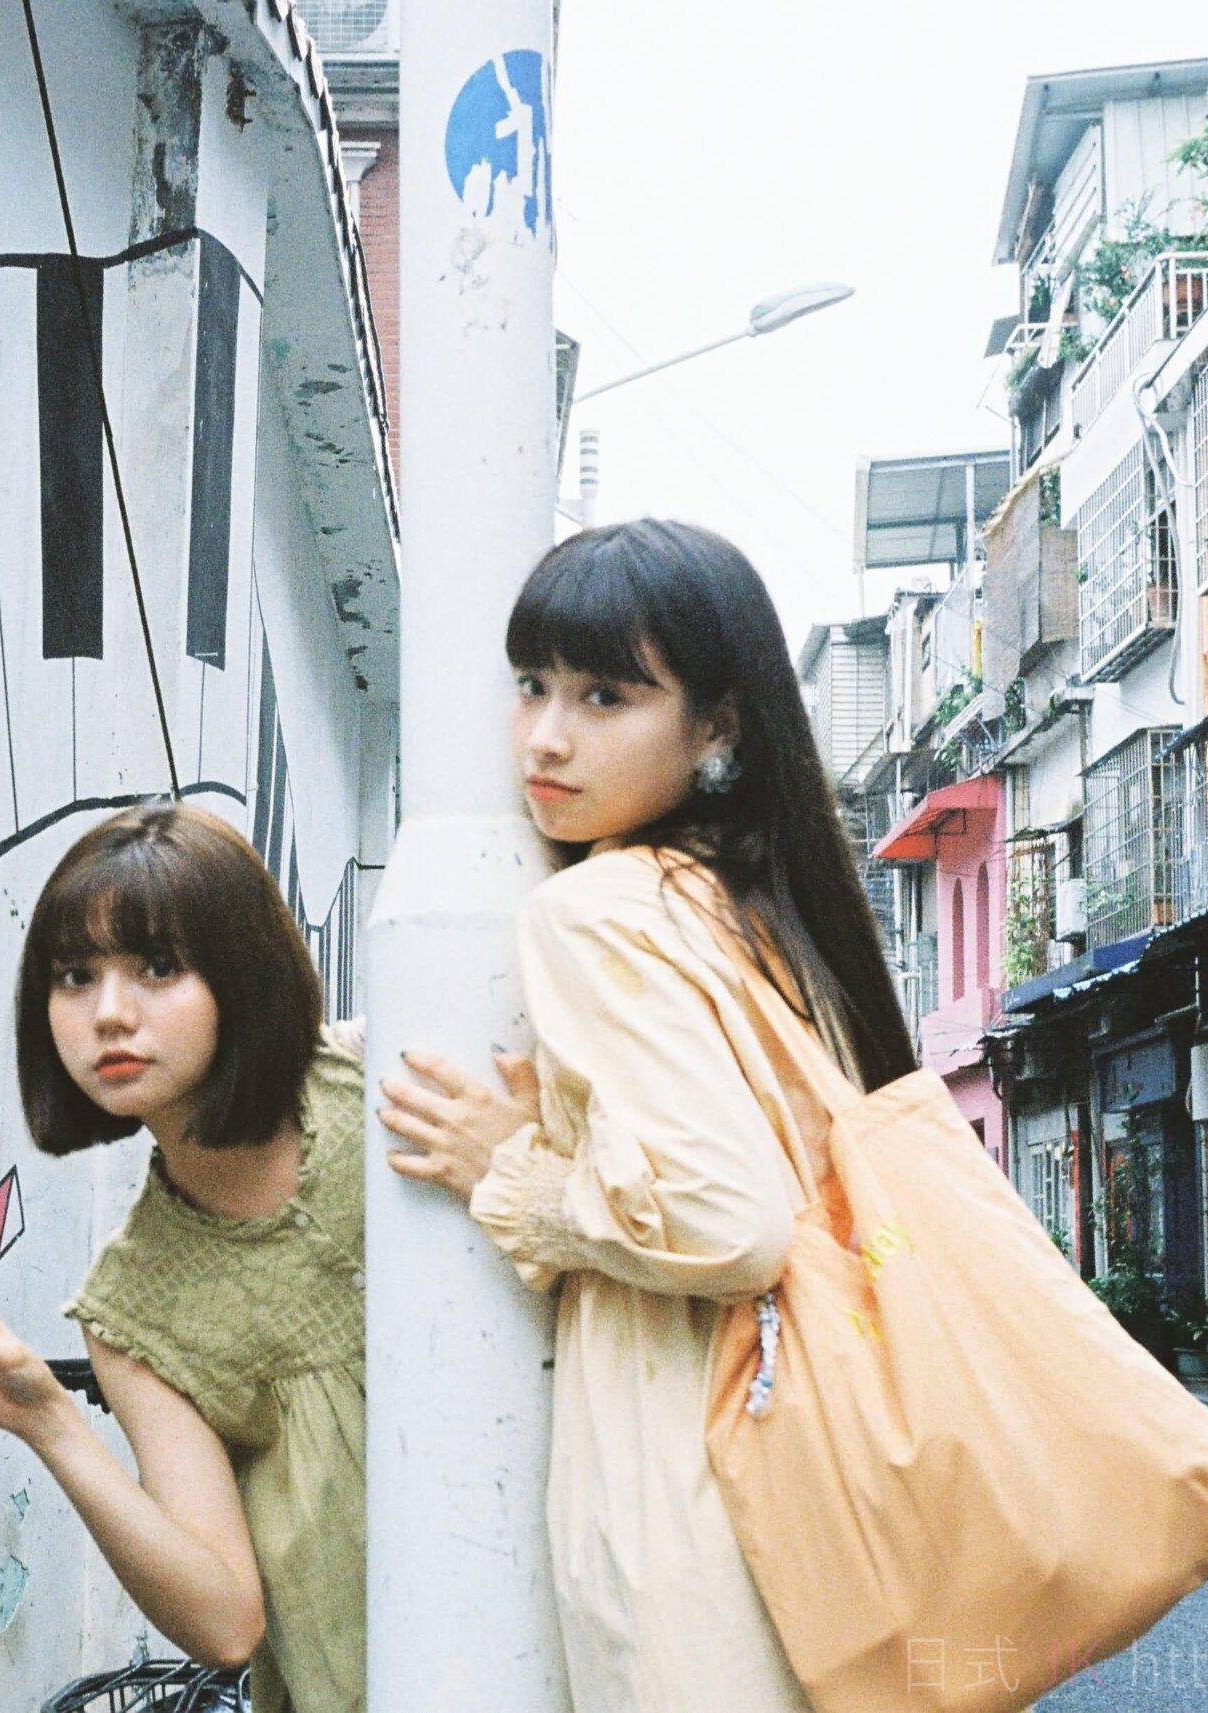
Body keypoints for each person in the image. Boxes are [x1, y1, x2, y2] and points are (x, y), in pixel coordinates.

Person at [376, 520, 920, 1711]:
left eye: (605, 696)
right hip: (824, 1499)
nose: (545, 736)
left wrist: (514, 1174)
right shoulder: (761, 910)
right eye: (532, 685)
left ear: (716, 727)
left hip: (690, 1505)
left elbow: (726, 1222)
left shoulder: (601, 911)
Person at [0, 803, 363, 1713]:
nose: (110, 1014)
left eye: (159, 966)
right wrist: (47, 1420)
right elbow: (226, 1624)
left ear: (243, 969)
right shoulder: (134, 1309)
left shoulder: (383, 1082)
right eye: (75, 976)